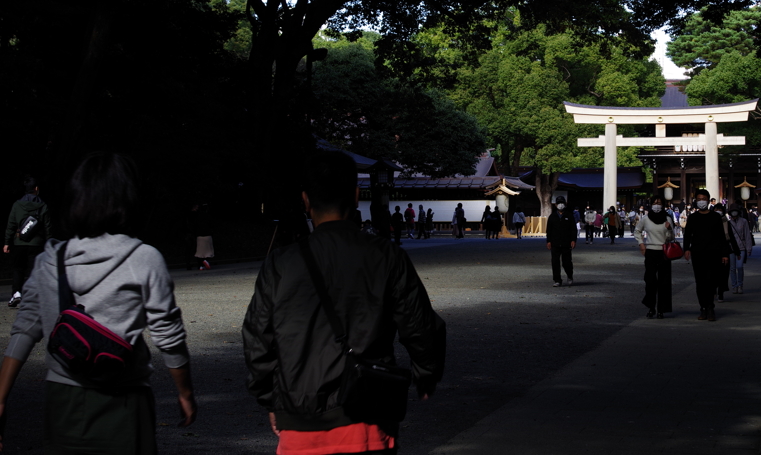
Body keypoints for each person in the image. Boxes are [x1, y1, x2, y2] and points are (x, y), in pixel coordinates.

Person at [243, 152, 445, 455]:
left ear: (306, 200)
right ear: (355, 195)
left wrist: (271, 398)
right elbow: (421, 326)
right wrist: (426, 373)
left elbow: (258, 337)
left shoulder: (282, 262)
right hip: (367, 418)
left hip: (300, 422)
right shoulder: (385, 256)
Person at [0, 152, 197, 453]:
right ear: (129, 199)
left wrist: (1, 398)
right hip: (124, 401)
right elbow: (168, 337)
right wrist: (185, 392)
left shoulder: (50, 260)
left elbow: (25, 329)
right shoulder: (144, 259)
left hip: (62, 403)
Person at [683, 189, 735, 321]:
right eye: (699, 199)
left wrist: (724, 254)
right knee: (700, 282)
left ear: (708, 200)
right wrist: (686, 249)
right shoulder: (693, 217)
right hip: (698, 253)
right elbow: (687, 235)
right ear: (696, 201)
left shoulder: (715, 217)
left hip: (714, 253)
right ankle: (703, 308)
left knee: (711, 281)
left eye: (703, 199)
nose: (701, 202)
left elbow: (722, 237)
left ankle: (710, 307)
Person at [5, 176, 52, 308]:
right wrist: (49, 243)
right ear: (36, 189)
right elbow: (47, 226)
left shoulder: (17, 205)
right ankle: (33, 298)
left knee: (18, 269)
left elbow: (11, 224)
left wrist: (7, 242)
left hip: (19, 242)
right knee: (33, 270)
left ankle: (16, 294)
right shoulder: (43, 205)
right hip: (36, 243)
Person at [635, 201, 674, 319]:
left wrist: (669, 229)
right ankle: (651, 306)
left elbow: (671, 237)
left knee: (664, 282)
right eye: (655, 203)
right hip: (651, 251)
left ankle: (661, 309)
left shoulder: (667, 218)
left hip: (664, 251)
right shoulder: (646, 218)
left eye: (659, 203)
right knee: (650, 280)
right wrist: (641, 243)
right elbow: (637, 231)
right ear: (651, 205)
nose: (657, 205)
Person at [546, 195, 576, 286]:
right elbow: (549, 229)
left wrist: (573, 240)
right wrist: (548, 241)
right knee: (555, 262)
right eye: (559, 203)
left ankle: (569, 275)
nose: (560, 205)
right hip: (555, 242)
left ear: (565, 204)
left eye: (562, 203)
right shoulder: (552, 216)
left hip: (566, 242)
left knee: (567, 262)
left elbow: (573, 229)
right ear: (555, 205)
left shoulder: (569, 216)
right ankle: (557, 280)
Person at [728, 207, 754, 293]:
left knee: (739, 266)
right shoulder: (728, 222)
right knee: (732, 268)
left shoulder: (743, 221)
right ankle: (734, 285)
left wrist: (749, 248)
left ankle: (740, 285)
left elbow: (747, 235)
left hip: (741, 247)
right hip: (731, 248)